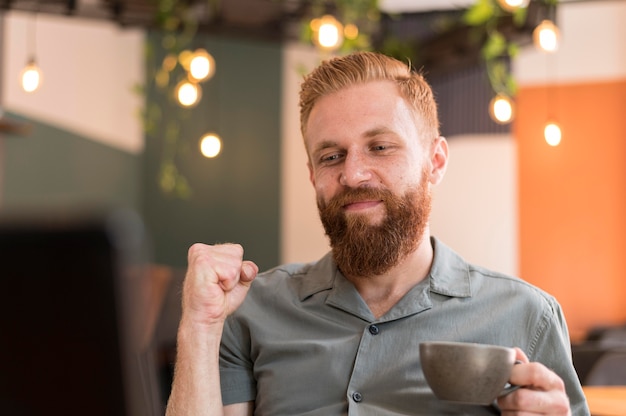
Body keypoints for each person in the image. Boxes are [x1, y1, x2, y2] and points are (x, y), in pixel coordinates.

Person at [165, 51, 589, 415]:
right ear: (313, 174)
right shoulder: (251, 310)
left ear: (435, 162)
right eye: (332, 156)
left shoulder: (527, 316)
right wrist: (198, 327)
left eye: (380, 146)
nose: (352, 173)